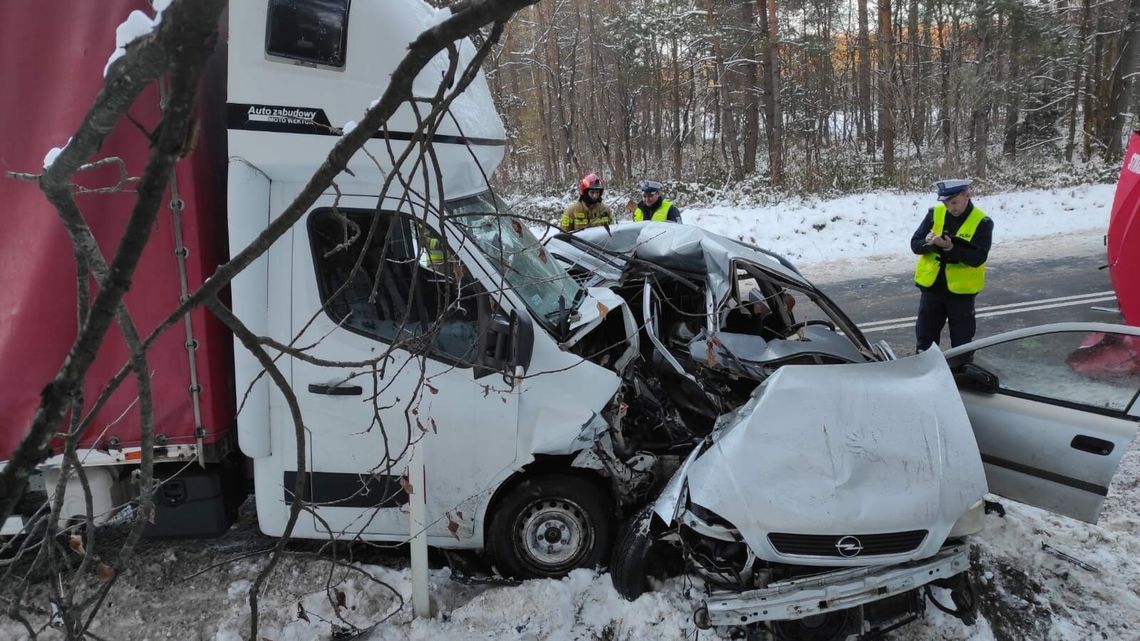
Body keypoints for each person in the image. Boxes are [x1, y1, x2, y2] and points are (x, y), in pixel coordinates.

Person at [911, 179, 993, 352]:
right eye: (946, 203)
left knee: (962, 345)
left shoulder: (982, 222)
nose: (950, 208)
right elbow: (915, 244)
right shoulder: (935, 214)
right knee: (925, 342)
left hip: (961, 294)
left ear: (967, 195)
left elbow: (978, 257)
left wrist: (950, 248)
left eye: (954, 202)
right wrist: (930, 244)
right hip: (932, 290)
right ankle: (925, 375)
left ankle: (961, 376)